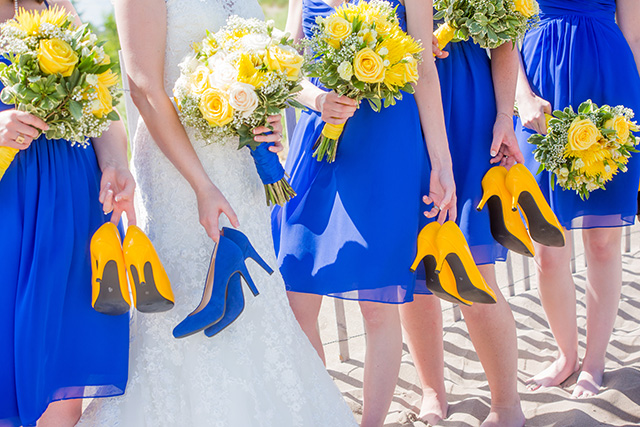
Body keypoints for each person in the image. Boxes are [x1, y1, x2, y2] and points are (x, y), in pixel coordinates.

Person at [76, 0, 358, 425]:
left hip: (241, 170)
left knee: (259, 313)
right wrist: (201, 186)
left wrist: (306, 104)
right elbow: (144, 88)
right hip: (179, 174)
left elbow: (266, 68)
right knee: (181, 305)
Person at [271, 0, 456, 425]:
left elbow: (423, 66)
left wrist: (441, 164)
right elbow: (288, 66)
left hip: (388, 140)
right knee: (296, 292)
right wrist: (317, 99)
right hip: (320, 143)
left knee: (377, 302)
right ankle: (323, 414)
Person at [0, 1, 136, 426]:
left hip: (71, 202)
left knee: (61, 349)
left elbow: (102, 108)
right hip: (10, 202)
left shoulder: (56, 8)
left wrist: (116, 164)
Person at [398, 27, 526, 425]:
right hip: (402, 100)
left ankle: (507, 404)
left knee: (473, 265)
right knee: (415, 261)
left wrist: (506, 114)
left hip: (469, 106)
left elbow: (504, 36)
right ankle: (432, 391)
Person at [514, 0, 640, 398]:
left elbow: (634, 33)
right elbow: (505, 32)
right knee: (547, 247)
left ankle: (595, 361)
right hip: (540, 88)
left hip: (609, 82)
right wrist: (522, 97)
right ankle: (565, 355)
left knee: (603, 241)